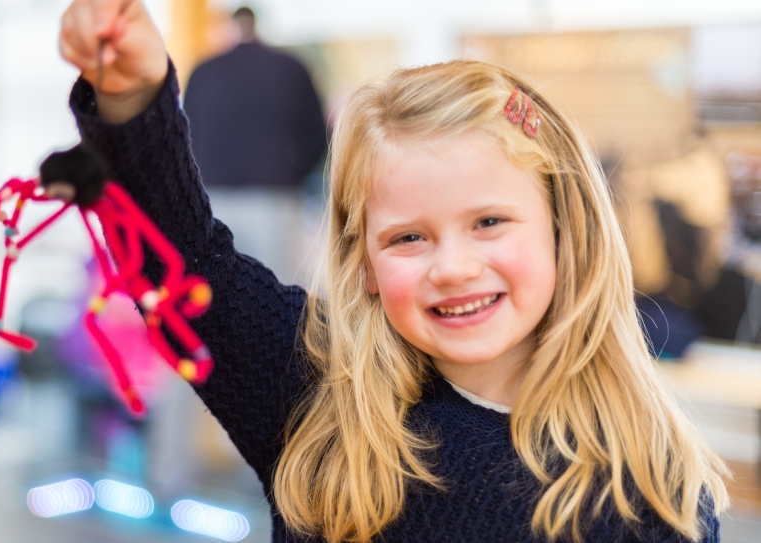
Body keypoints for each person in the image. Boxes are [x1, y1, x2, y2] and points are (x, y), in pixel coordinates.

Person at [56, 1, 729, 541]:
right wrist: (133, 97)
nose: (454, 267)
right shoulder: (315, 391)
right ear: (366, 260)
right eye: (409, 236)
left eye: (489, 221)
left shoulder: (646, 490)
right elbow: (182, 260)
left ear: (563, 228)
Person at [182, 6, 327, 283]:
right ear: (258, 26)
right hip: (273, 199)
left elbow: (185, 135)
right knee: (277, 294)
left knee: (216, 294)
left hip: (213, 200)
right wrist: (292, 175)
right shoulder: (291, 67)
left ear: (231, 26)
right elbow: (319, 136)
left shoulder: (203, 71)